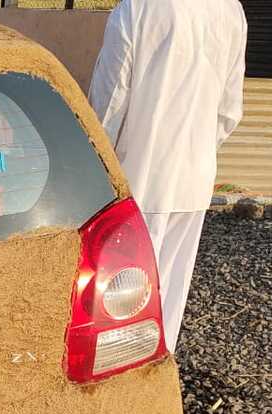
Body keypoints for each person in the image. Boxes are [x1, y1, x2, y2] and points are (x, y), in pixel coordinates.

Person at [90, 0, 247, 352]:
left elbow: (109, 104)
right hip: (194, 178)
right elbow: (229, 110)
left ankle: (123, 372)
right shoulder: (230, 11)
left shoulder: (136, 9)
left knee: (120, 295)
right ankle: (160, 365)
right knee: (171, 293)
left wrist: (98, 167)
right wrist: (197, 149)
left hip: (136, 177)